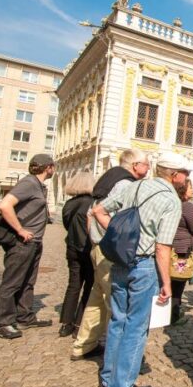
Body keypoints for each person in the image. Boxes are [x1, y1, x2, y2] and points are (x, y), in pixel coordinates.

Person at [91, 152, 186, 387]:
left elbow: (98, 210)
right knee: (136, 326)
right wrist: (166, 282)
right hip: (144, 264)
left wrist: (119, 234)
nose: (186, 178)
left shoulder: (134, 186)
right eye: (184, 173)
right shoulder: (170, 200)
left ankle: (108, 379)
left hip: (121, 260)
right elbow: (162, 247)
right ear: (175, 175)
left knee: (118, 320)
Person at [71, 150, 149, 360]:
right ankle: (120, 358)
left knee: (97, 299)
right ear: (135, 165)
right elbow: (101, 213)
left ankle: (83, 345)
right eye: (146, 164)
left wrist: (94, 239)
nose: (149, 168)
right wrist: (117, 237)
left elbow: (90, 213)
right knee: (116, 304)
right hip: (111, 250)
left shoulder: (108, 180)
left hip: (99, 246)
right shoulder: (125, 185)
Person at [0, 154, 56, 339]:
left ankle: (24, 317)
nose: (53, 170)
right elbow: (4, 205)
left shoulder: (37, 185)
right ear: (48, 167)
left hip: (34, 242)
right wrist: (20, 229)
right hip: (22, 243)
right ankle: (2, 323)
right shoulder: (28, 183)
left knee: (28, 281)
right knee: (12, 282)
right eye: (53, 167)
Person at [59, 171, 95, 338]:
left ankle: (65, 324)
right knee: (89, 285)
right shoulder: (93, 203)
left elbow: (67, 225)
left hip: (72, 247)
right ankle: (79, 322)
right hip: (87, 249)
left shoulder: (68, 204)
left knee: (73, 285)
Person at [170, 178, 193, 325]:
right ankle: (173, 315)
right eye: (190, 187)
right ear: (183, 190)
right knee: (177, 283)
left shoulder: (171, 203)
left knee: (171, 282)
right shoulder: (187, 206)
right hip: (182, 251)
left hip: (172, 248)